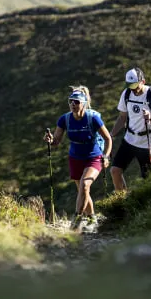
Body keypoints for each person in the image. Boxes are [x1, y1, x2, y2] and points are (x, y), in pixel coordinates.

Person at [44, 86, 113, 227]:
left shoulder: (93, 118)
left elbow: (108, 139)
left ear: (84, 103)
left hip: (94, 157)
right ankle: (92, 217)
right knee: (82, 189)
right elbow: (56, 141)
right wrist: (50, 140)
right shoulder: (65, 119)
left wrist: (106, 156)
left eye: (76, 102)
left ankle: (77, 220)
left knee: (85, 184)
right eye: (70, 102)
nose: (73, 105)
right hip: (75, 158)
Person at [109, 67, 151, 192]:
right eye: (130, 85)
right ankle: (122, 203)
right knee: (115, 171)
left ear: (143, 82)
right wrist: (111, 134)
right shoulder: (127, 93)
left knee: (149, 181)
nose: (133, 89)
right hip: (129, 140)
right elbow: (122, 117)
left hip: (148, 143)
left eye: (135, 85)